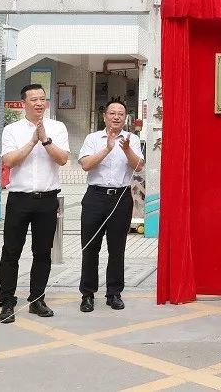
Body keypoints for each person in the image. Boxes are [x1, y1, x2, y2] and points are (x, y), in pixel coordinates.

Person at [0, 83, 70, 323]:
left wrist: (46, 140)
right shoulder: (12, 130)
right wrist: (32, 141)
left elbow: (62, 159)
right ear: (23, 103)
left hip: (47, 200)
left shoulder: (57, 127)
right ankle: (7, 302)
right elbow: (9, 161)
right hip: (19, 199)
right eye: (34, 99)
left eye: (42, 99)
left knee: (42, 252)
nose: (39, 103)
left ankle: (37, 299)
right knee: (11, 252)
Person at [77, 97, 143, 312]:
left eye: (120, 114)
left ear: (125, 118)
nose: (116, 117)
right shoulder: (93, 138)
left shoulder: (131, 139)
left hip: (121, 198)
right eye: (112, 113)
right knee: (90, 248)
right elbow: (86, 165)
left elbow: (139, 167)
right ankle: (87, 294)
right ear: (104, 116)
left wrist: (126, 150)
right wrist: (107, 148)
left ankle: (114, 293)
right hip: (95, 197)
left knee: (117, 249)